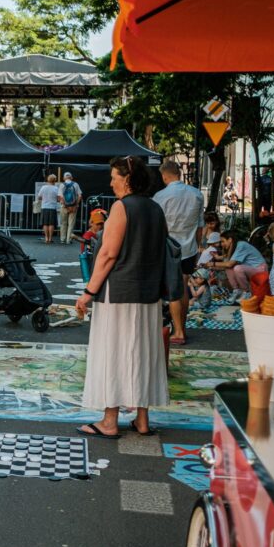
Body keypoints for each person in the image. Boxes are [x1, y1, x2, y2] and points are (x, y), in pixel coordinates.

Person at [75, 155, 169, 438]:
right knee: (143, 353)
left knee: (113, 353)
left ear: (127, 179)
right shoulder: (155, 208)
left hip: (119, 294)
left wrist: (88, 291)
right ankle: (142, 419)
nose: (111, 181)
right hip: (149, 293)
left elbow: (107, 253)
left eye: (114, 177)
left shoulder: (121, 207)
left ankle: (109, 420)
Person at [152, 160, 204, 345]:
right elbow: (200, 226)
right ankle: (182, 326)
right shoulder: (196, 194)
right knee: (182, 286)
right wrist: (198, 248)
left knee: (173, 289)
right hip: (189, 247)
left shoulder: (160, 196)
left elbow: (157, 225)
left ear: (165, 175)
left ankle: (178, 331)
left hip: (168, 246)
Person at [205, 231, 268, 302]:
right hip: (251, 269)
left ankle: (247, 292)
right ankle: (236, 291)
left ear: (230, 240)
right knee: (229, 268)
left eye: (223, 241)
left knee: (237, 268)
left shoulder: (241, 245)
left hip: (260, 270)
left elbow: (229, 264)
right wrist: (211, 267)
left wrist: (212, 264)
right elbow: (226, 265)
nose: (221, 244)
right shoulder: (233, 248)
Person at [57, 172, 83, 245]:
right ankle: (69, 239)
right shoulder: (76, 184)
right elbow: (80, 196)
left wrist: (66, 206)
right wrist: (75, 205)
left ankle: (62, 239)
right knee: (71, 224)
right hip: (73, 207)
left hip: (64, 207)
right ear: (71, 177)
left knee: (63, 223)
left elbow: (60, 197)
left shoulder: (62, 185)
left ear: (64, 178)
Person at [37, 175, 59, 244]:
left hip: (44, 207)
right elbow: (58, 198)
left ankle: (46, 238)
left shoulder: (43, 187)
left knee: (45, 223)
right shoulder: (56, 188)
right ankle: (50, 238)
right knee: (51, 224)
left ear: (48, 180)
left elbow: (39, 197)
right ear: (55, 180)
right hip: (52, 207)